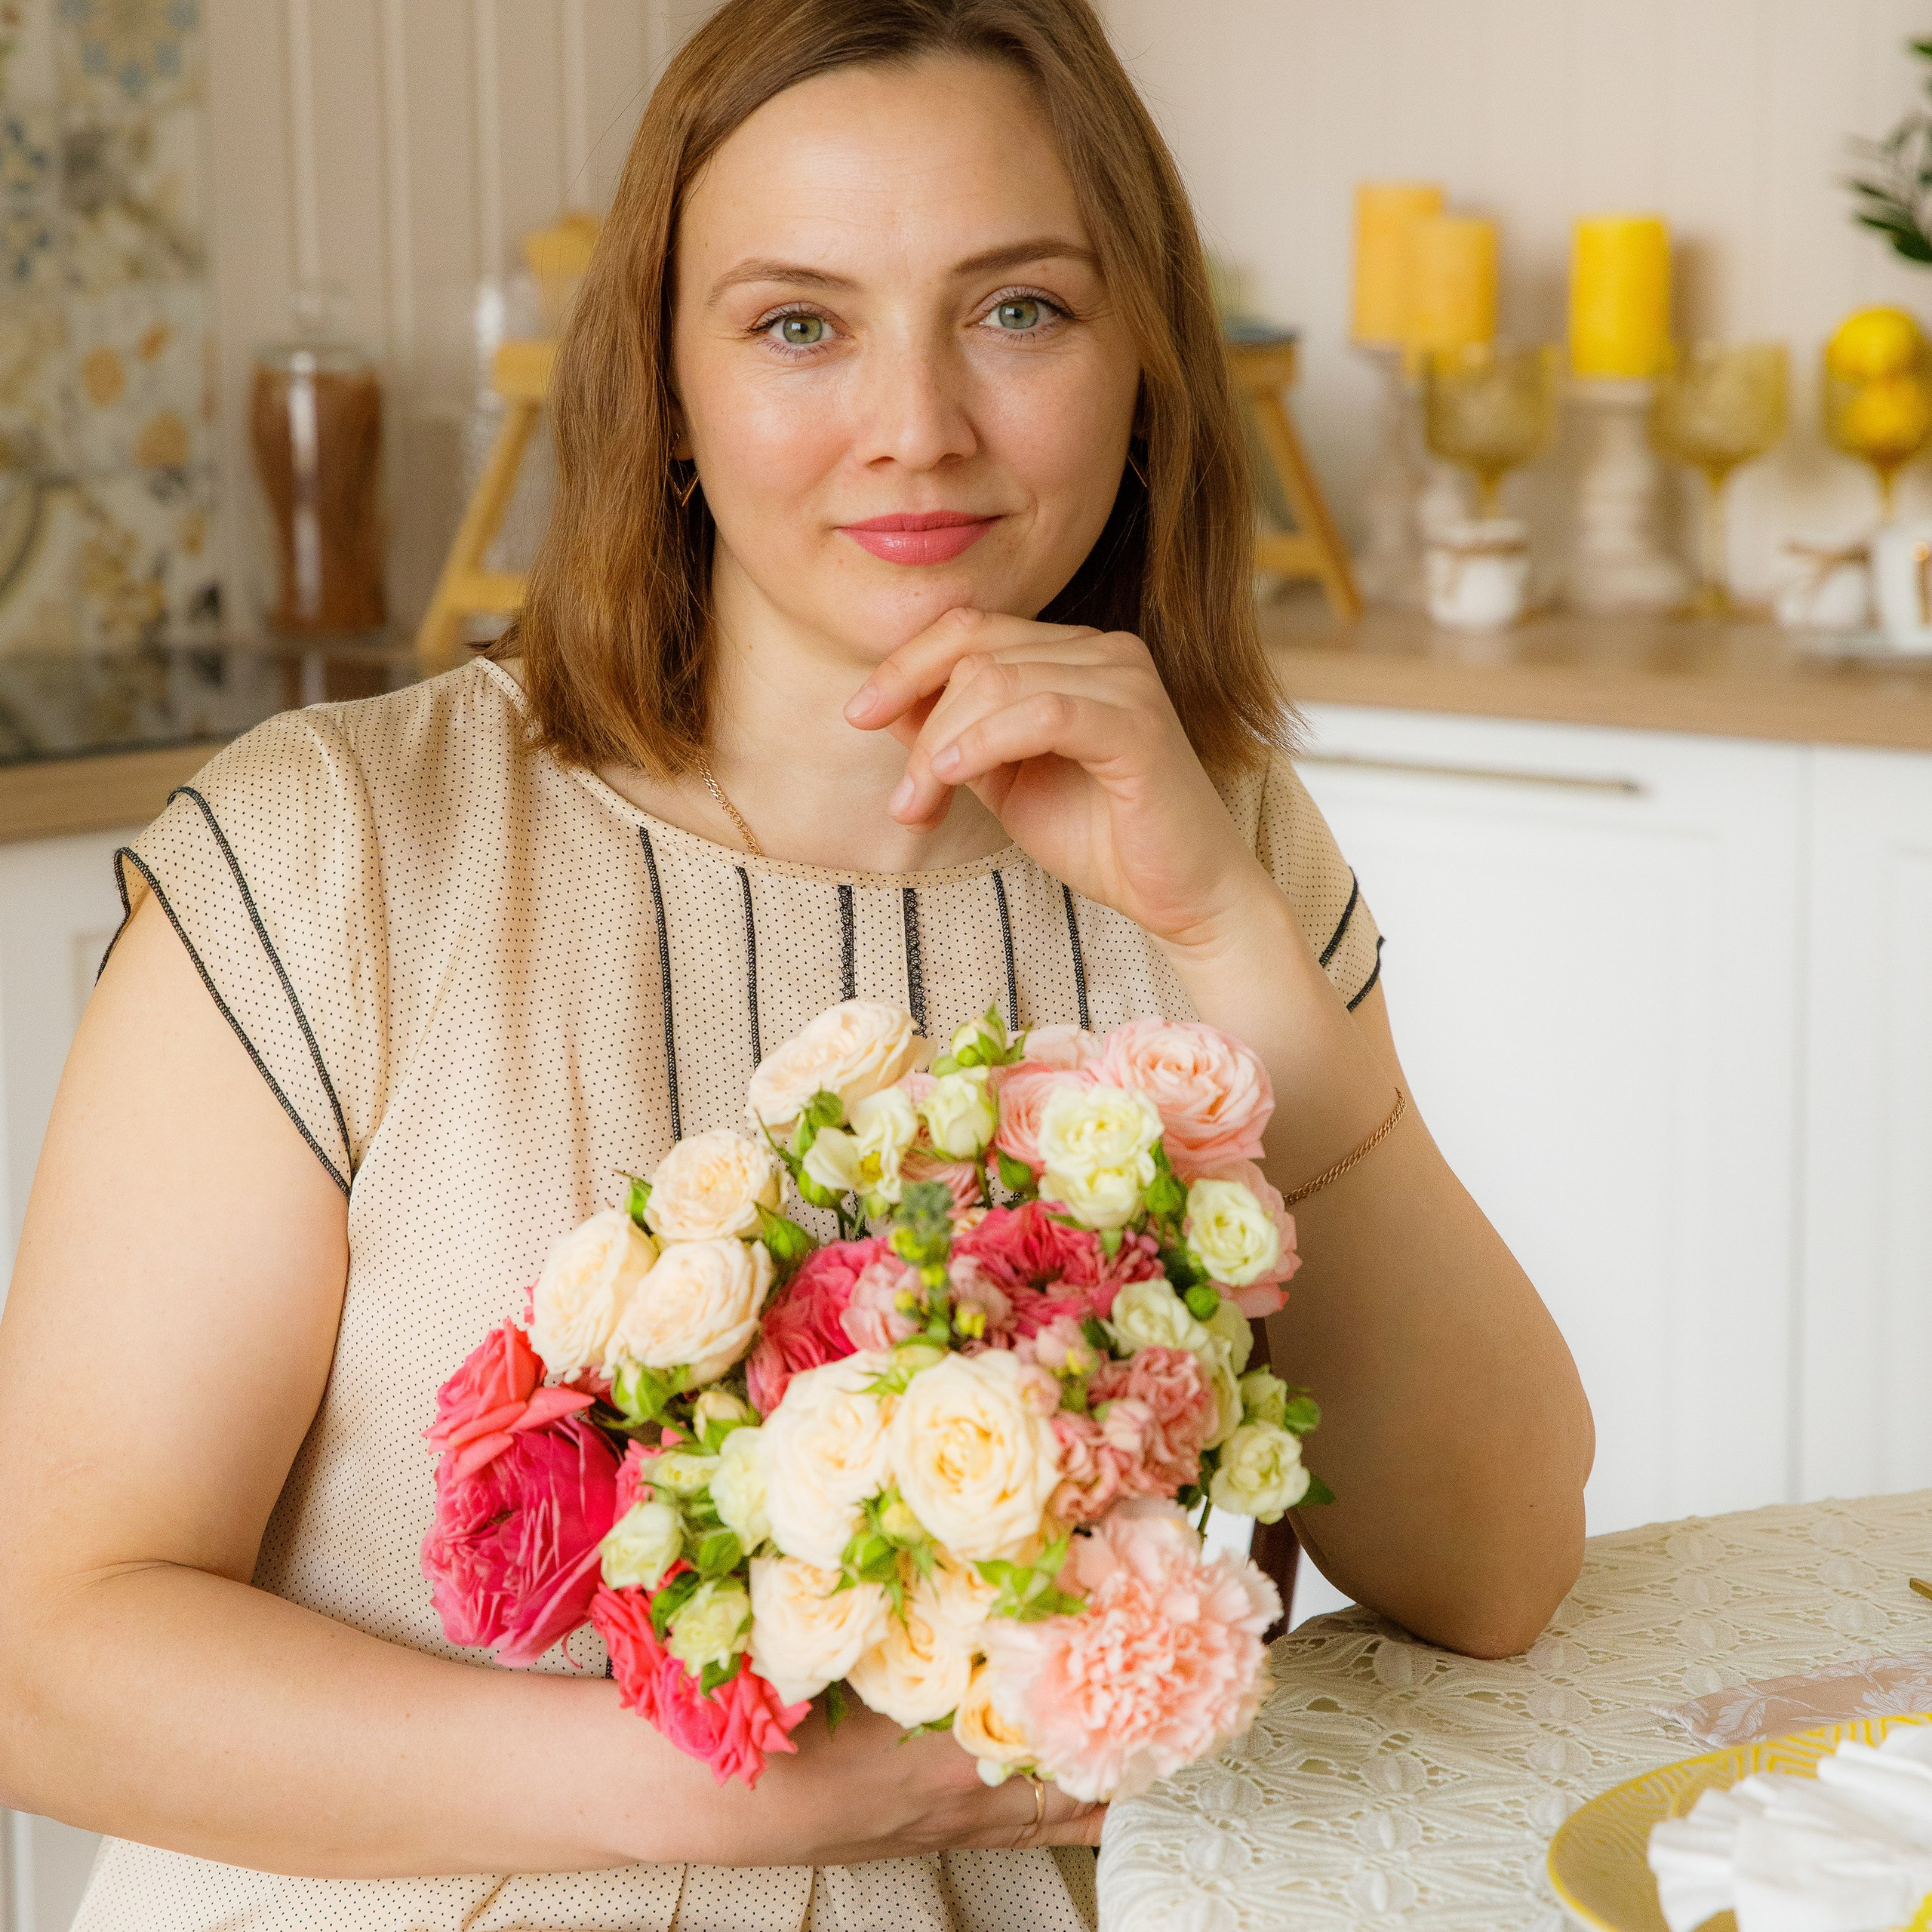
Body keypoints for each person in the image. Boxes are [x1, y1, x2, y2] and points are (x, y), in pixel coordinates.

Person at [0, 1, 1594, 1926]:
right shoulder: (334, 848)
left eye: (1019, 309)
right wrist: (707, 1792)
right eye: (796, 323)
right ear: (663, 391)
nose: (915, 423)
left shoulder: (1222, 846)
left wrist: (1217, 927)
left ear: (1144, 362)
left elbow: (1491, 1565)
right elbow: (48, 1654)